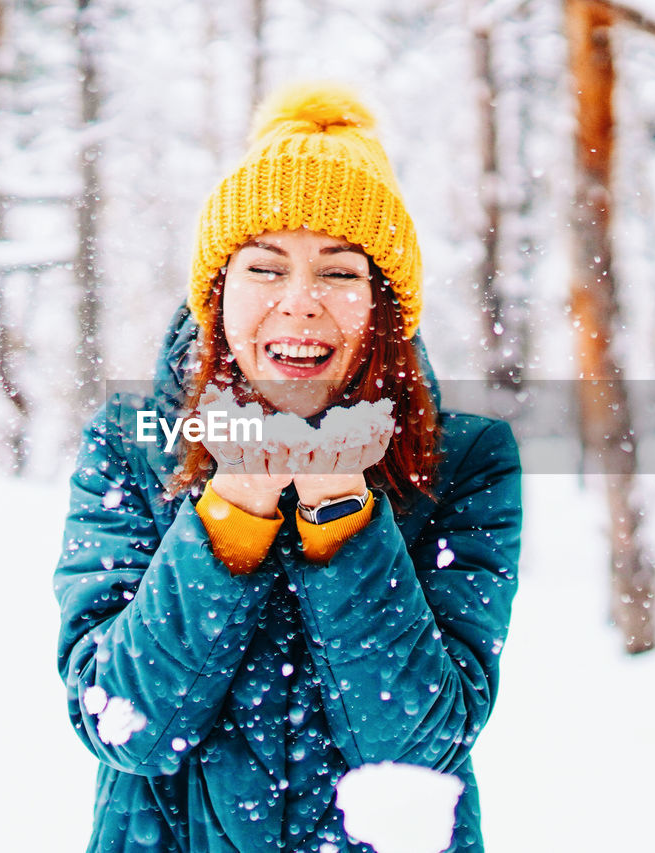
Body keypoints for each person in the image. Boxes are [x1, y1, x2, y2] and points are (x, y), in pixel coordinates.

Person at [54, 82, 522, 852]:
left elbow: (420, 747)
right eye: (265, 268)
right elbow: (125, 721)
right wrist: (233, 507)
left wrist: (340, 512)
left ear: (383, 308)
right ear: (217, 292)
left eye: (340, 273)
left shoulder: (463, 461)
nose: (301, 302)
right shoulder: (130, 444)